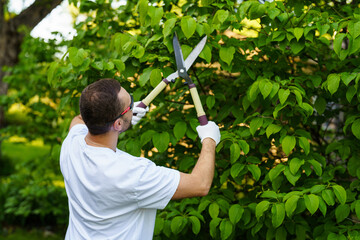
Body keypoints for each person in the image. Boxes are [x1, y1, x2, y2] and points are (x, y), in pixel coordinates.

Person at [60, 78, 221, 240]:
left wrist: (123, 119)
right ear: (117, 124)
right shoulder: (134, 174)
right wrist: (209, 139)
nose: (133, 105)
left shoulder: (72, 144)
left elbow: (80, 119)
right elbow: (200, 184)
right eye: (130, 105)